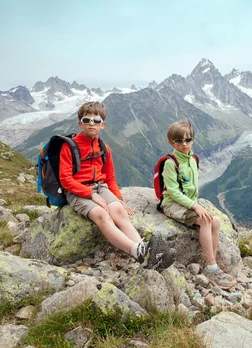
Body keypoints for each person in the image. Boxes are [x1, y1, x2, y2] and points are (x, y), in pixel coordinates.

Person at [59, 101, 175, 270]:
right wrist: (91, 195)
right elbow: (65, 179)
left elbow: (110, 177)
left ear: (103, 125)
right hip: (77, 191)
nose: (91, 124)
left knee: (119, 211)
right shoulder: (69, 146)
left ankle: (147, 253)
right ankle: (138, 252)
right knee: (101, 214)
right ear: (80, 123)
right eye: (87, 120)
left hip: (100, 186)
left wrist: (118, 199)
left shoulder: (104, 148)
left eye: (96, 121)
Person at [160, 120, 235, 290]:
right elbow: (173, 192)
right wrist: (195, 206)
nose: (184, 144)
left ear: (193, 139)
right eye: (179, 141)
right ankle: (211, 267)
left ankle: (211, 264)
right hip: (172, 204)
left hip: (188, 203)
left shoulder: (193, 159)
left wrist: (194, 204)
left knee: (215, 221)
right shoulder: (170, 163)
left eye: (188, 140)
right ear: (171, 143)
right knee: (206, 221)